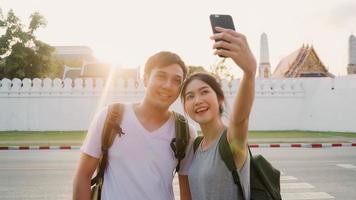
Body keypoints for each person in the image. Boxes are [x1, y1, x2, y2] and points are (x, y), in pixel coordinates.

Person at [73, 51, 196, 200]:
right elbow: (83, 175)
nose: (168, 85)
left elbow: (187, 190)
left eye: (177, 80)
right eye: (161, 76)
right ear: (145, 79)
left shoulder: (185, 131)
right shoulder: (110, 117)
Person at [180, 26, 256, 200]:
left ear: (220, 98)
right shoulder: (195, 146)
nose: (198, 100)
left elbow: (240, 119)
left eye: (204, 92)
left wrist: (249, 73)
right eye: (190, 96)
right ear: (185, 106)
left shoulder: (231, 140)